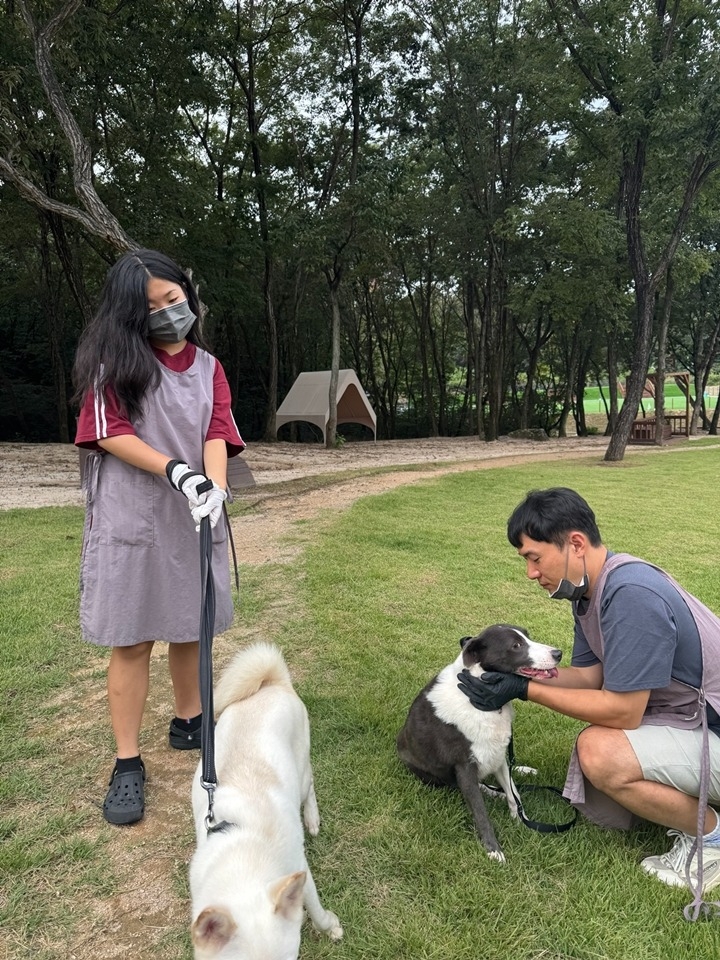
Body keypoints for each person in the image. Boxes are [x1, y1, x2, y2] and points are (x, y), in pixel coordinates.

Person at [457, 487, 720, 895]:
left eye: (534, 557)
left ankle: (712, 838)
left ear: (575, 543)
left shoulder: (631, 594)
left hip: (712, 727)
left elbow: (623, 712)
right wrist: (517, 673)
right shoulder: (589, 592)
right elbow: (588, 678)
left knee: (600, 753)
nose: (530, 572)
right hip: (692, 720)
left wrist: (524, 691)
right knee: (599, 771)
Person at [72, 249, 245, 826]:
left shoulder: (209, 366)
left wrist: (213, 488)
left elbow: (218, 429)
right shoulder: (113, 363)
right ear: (130, 316)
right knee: (134, 635)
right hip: (134, 512)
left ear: (188, 295)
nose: (168, 312)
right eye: (152, 307)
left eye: (174, 299)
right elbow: (107, 432)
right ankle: (127, 762)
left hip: (192, 510)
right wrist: (175, 470)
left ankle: (190, 720)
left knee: (190, 620)